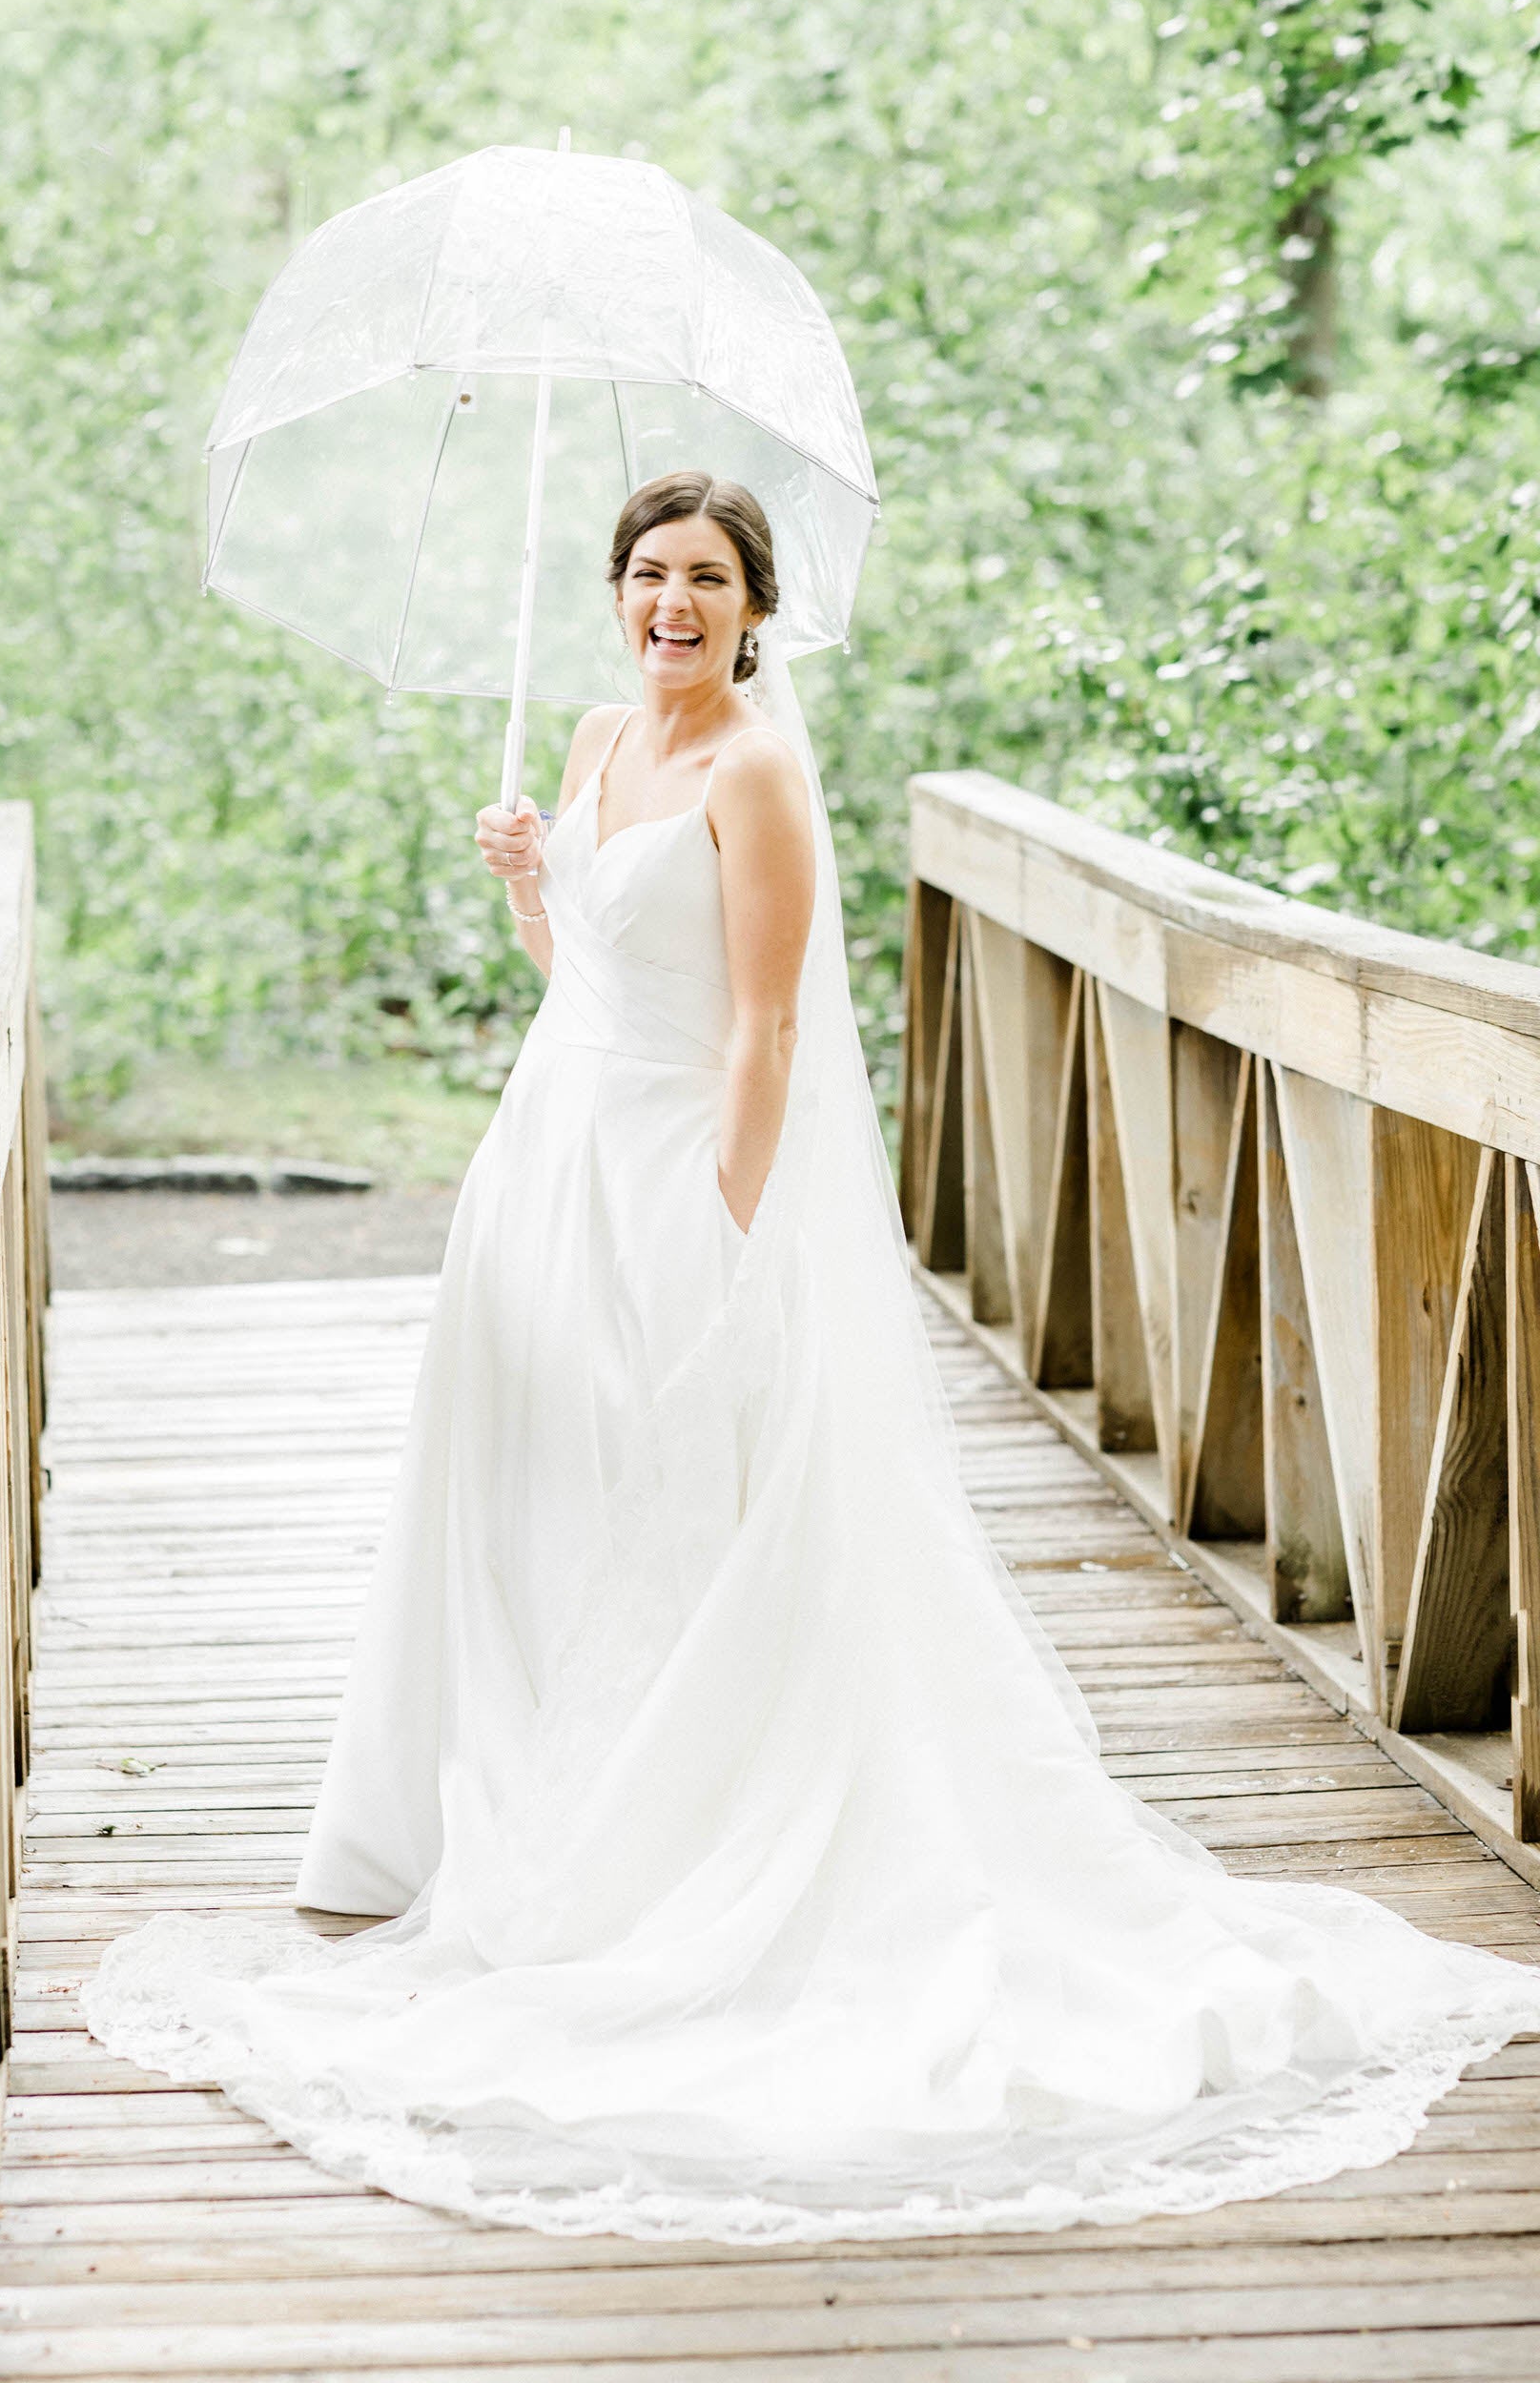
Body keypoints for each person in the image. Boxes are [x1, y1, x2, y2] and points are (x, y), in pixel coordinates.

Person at [86, 471, 1540, 2245]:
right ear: (613, 597)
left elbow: (763, 1022)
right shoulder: (600, 733)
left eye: (705, 577)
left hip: (682, 1181)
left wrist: (728, 1226)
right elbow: (591, 981)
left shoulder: (756, 769)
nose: (672, 602)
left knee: (689, 1501)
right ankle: (525, 1816)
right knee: (540, 1491)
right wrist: (535, 882)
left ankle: (677, 1846)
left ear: (755, 605)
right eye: (646, 573)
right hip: (550, 1164)